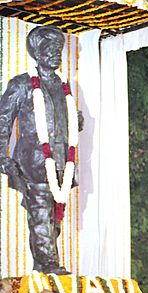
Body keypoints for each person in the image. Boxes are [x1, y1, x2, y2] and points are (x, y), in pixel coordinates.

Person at [0, 25, 83, 275]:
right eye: (49, 49)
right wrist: (2, 157)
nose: (55, 54)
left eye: (58, 49)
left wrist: (75, 122)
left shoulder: (63, 86)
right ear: (36, 52)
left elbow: (63, 123)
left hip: (61, 164)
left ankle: (45, 264)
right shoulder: (22, 84)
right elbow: (2, 120)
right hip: (33, 164)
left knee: (53, 220)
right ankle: (48, 265)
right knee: (40, 216)